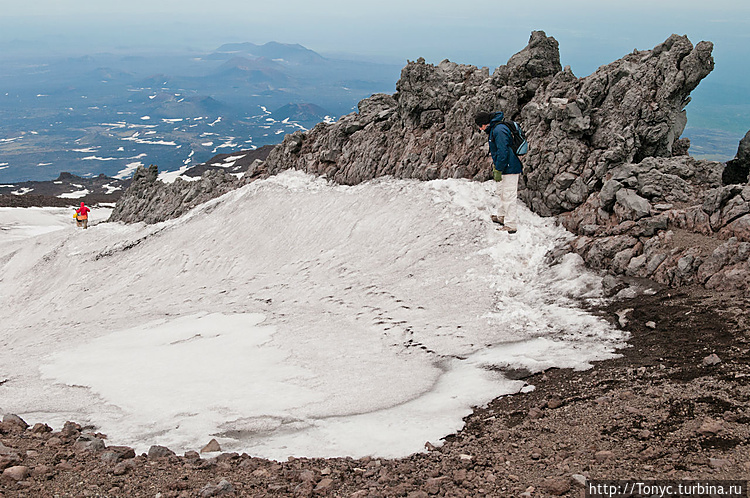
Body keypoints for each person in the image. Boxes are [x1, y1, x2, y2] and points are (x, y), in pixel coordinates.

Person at [474, 110, 523, 234]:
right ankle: (502, 216)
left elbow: (503, 152)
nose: (480, 129)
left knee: (509, 195)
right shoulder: (494, 129)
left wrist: (499, 168)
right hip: (505, 166)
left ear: (485, 123)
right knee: (502, 192)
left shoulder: (499, 130)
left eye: (480, 126)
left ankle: (511, 224)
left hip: (510, 167)